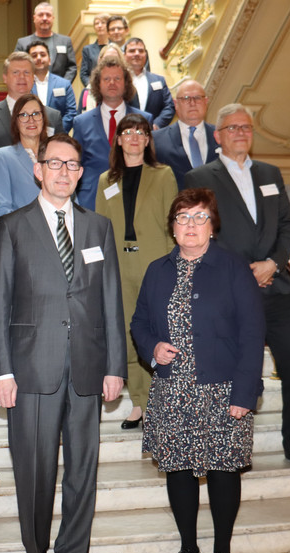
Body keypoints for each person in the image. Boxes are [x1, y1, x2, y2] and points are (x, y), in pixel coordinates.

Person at [0, 134, 127, 553]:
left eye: (72, 165)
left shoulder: (98, 227)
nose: (63, 172)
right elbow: (0, 305)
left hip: (88, 366)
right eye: (55, 164)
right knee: (35, 470)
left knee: (82, 469)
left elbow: (110, 300)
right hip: (31, 369)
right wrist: (1, 370)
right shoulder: (11, 226)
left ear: (81, 173)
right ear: (38, 170)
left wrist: (116, 366)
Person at [131, 188, 265, 553]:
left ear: (212, 225)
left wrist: (245, 393)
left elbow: (252, 331)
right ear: (172, 227)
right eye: (183, 218)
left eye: (199, 217)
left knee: (224, 472)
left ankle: (222, 551)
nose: (191, 225)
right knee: (179, 472)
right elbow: (138, 322)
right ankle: (188, 548)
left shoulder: (233, 268)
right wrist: (152, 348)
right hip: (172, 389)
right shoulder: (157, 270)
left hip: (223, 390)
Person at [185, 103, 290, 471]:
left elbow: (286, 225)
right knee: (232, 376)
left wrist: (272, 263)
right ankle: (229, 449)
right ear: (217, 136)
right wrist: (238, 272)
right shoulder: (199, 176)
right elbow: (198, 233)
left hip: (276, 289)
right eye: (232, 128)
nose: (240, 133)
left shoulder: (270, 172)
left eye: (246, 127)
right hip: (228, 293)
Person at [95, 114, 177, 430]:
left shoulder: (163, 174)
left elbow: (173, 223)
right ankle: (139, 403)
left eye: (140, 132)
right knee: (129, 334)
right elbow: (100, 229)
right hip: (118, 263)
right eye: (127, 131)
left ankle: (160, 401)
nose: (133, 136)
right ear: (118, 140)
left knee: (157, 331)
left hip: (156, 262)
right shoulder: (106, 181)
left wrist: (176, 265)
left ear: (147, 139)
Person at [0, 52, 63, 189]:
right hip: (2, 196)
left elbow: (62, 157)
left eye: (26, 72)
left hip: (46, 193)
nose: (22, 77)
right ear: (5, 78)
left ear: (33, 78)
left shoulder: (52, 117)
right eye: (15, 72)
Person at [71, 55, 152, 211]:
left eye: (117, 78)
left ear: (126, 83)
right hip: (92, 200)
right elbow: (75, 164)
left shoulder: (144, 120)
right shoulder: (81, 122)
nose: (112, 83)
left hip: (135, 199)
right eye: (106, 79)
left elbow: (150, 161)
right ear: (97, 84)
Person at [152, 79, 219, 188]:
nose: (192, 103)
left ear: (206, 102)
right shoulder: (156, 140)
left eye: (197, 98)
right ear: (175, 104)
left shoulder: (222, 136)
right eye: (186, 98)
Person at [0, 93, 47, 216]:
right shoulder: (2, 157)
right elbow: (2, 208)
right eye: (24, 115)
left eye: (36, 114)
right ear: (16, 121)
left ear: (43, 118)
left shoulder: (56, 155)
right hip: (22, 232)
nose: (31, 120)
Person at [15, 2, 77, 83]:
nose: (44, 18)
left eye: (48, 15)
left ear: (53, 18)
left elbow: (72, 67)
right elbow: (16, 67)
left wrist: (63, 84)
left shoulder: (65, 41)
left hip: (58, 90)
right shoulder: (22, 43)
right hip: (31, 90)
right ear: (34, 18)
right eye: (40, 15)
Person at [123, 38, 175, 129]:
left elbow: (169, 106)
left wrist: (156, 125)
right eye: (132, 51)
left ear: (145, 54)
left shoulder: (159, 80)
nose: (137, 53)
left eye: (141, 51)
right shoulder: (119, 80)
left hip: (154, 136)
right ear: (124, 55)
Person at [27, 40, 76, 132]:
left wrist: (56, 133)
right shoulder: (24, 85)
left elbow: (71, 113)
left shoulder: (64, 84)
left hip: (58, 138)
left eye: (42, 54)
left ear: (49, 60)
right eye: (34, 56)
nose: (38, 58)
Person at [78, 43, 124, 114]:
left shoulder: (129, 90)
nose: (110, 62)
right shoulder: (87, 91)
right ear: (99, 60)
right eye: (106, 59)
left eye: (115, 59)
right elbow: (80, 121)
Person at [79, 13, 111, 87]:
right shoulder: (87, 49)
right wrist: (91, 87)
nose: (99, 26)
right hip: (94, 89)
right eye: (97, 23)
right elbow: (84, 74)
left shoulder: (115, 47)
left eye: (103, 23)